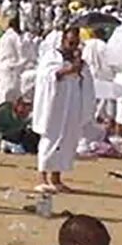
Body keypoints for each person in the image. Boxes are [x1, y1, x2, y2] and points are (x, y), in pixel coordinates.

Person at [31, 26, 94, 194]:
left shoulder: (78, 60)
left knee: (67, 138)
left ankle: (56, 178)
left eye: (76, 43)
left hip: (71, 102)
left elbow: (85, 81)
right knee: (50, 138)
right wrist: (67, 70)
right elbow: (46, 76)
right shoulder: (51, 56)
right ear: (63, 40)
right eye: (70, 42)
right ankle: (42, 178)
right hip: (54, 104)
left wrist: (80, 69)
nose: (73, 46)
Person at [0, 16, 34, 116]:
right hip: (8, 73)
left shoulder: (26, 37)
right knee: (5, 99)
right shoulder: (5, 37)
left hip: (21, 74)